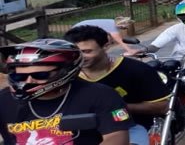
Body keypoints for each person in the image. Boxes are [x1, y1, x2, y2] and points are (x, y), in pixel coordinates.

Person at [0, 39, 133, 145]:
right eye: (19, 77)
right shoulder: (4, 100)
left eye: (40, 75)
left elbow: (116, 138)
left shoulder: (101, 95)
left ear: (64, 72)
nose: (29, 81)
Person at [64, 25, 169, 145]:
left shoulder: (137, 70)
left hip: (132, 127)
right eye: (75, 52)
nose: (80, 57)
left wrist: (115, 107)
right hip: (78, 131)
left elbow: (163, 106)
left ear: (106, 46)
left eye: (87, 51)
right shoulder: (63, 75)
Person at [70, 18, 138, 55]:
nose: (126, 28)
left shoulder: (110, 22)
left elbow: (111, 39)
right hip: (79, 30)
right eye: (126, 26)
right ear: (122, 23)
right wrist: (130, 50)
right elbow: (120, 41)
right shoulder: (112, 25)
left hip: (82, 28)